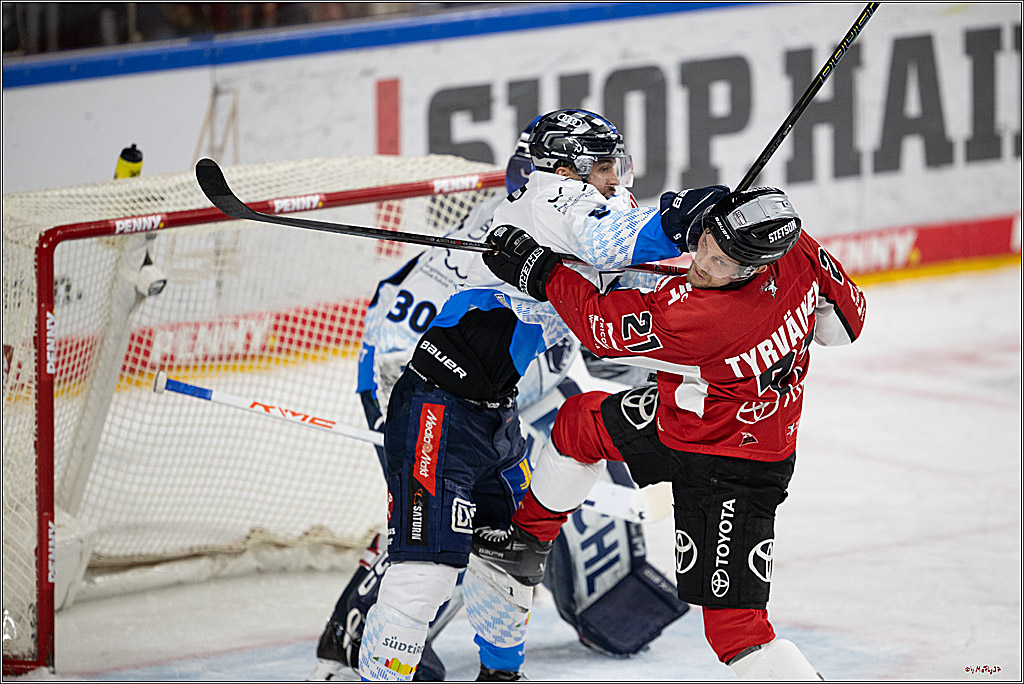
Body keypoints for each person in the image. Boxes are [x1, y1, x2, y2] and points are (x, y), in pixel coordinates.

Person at [357, 108, 728, 681]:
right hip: (437, 410)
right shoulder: (547, 202)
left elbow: (635, 280)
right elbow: (614, 245)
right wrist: (686, 214)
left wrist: (713, 261)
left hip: (493, 416)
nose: (615, 175)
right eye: (602, 164)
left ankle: (501, 675)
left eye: (616, 163)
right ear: (564, 167)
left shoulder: (598, 209)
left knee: (508, 558)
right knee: (425, 574)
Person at [479, 184, 868, 679]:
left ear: (752, 267)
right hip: (695, 415)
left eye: (724, 263)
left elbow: (602, 331)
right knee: (581, 423)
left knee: (737, 633)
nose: (704, 261)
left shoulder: (703, 320)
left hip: (732, 468)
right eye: (707, 240)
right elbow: (844, 326)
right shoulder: (797, 249)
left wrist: (546, 273)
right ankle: (527, 543)